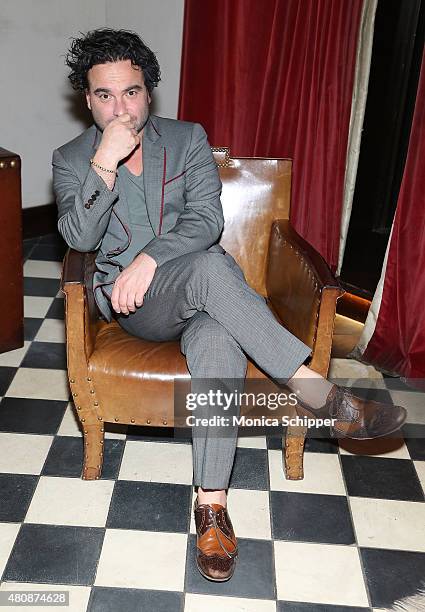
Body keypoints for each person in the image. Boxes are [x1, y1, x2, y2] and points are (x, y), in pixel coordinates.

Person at [53, 28, 407, 582]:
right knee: (212, 266)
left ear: (150, 91)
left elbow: (207, 221)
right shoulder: (73, 158)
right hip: (135, 308)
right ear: (88, 98)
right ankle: (320, 394)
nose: (119, 107)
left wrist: (148, 258)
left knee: (217, 335)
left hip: (203, 294)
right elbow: (77, 237)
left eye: (131, 92)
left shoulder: (187, 138)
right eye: (104, 95)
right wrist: (103, 164)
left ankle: (212, 506)